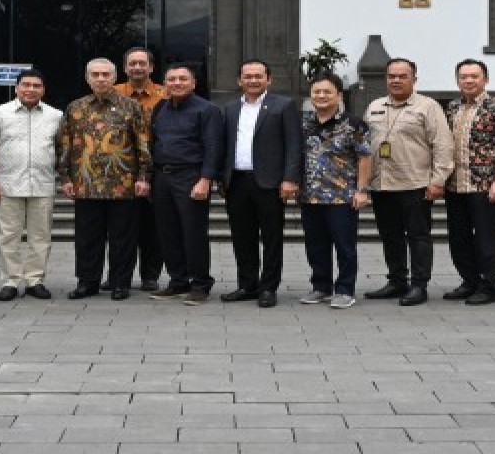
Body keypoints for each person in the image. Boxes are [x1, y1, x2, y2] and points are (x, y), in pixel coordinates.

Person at [58, 58, 152, 301]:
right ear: (87, 78)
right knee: (87, 237)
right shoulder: (75, 108)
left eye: (105, 74)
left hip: (123, 184)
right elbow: (65, 145)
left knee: (123, 237)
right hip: (85, 183)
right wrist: (65, 177)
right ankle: (87, 282)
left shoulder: (131, 106)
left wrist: (144, 177)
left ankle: (121, 282)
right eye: (96, 74)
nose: (100, 79)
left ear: (114, 77)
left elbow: (143, 144)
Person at [363, 58, 453, 306]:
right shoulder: (374, 106)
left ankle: (419, 285)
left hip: (416, 183)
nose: (396, 80)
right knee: (390, 236)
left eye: (403, 76)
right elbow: (364, 146)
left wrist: (438, 180)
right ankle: (396, 281)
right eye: (392, 76)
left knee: (418, 236)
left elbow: (443, 145)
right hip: (382, 184)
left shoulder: (428, 106)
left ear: (414, 78)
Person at [219, 59, 303, 308]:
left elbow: (294, 145)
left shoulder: (283, 105)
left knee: (272, 238)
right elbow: (224, 146)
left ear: (269, 79)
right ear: (239, 80)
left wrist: (290, 178)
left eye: (258, 76)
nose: (253, 80)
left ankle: (268, 288)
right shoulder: (230, 108)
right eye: (248, 76)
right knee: (242, 237)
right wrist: (221, 178)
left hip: (270, 182)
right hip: (237, 182)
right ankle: (247, 285)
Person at [0, 68, 62, 301]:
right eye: (25, 85)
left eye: (36, 85)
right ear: (16, 88)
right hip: (7, 184)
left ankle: (35, 280)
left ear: (43, 90)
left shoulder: (56, 116)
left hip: (43, 184)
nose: (30, 89)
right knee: (8, 235)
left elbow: (61, 149)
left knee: (41, 236)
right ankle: (11, 280)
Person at [148, 63, 223, 305]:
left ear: (193, 83)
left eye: (182, 79)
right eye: (171, 79)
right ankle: (178, 281)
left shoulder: (207, 110)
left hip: (191, 177)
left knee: (193, 233)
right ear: (165, 84)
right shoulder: (161, 107)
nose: (177, 83)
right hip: (162, 177)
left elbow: (213, 147)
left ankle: (200, 284)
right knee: (166, 233)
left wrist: (206, 179)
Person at [443, 59, 495, 306]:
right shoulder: (452, 107)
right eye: (464, 76)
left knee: (486, 238)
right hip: (455, 184)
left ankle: (488, 285)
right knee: (458, 237)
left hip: (484, 184)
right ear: (457, 80)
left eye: (474, 76)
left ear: (485, 79)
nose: (469, 80)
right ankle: (469, 281)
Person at [297, 73, 371, 310]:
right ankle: (321, 286)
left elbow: (365, 157)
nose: (321, 96)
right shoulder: (304, 122)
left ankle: (345, 289)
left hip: (342, 196)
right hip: (310, 195)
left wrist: (362, 190)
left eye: (327, 92)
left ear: (339, 95)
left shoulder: (354, 124)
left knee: (344, 245)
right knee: (315, 244)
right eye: (316, 92)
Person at [113, 47, 168, 291]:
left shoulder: (165, 95)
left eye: (142, 63)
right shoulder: (113, 94)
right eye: (132, 63)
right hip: (118, 169)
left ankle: (150, 275)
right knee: (119, 227)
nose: (137, 67)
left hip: (156, 168)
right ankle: (116, 274)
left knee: (152, 226)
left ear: (151, 67)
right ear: (125, 68)